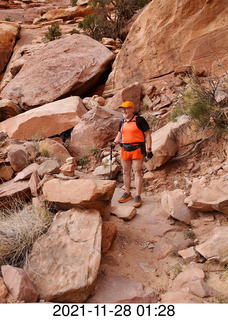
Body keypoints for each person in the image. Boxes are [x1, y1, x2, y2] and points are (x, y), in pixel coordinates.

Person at [111, 101, 153, 208]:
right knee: (125, 171)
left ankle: (138, 195)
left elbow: (147, 134)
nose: (124, 111)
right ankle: (127, 193)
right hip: (125, 149)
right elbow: (120, 134)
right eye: (122, 109)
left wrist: (149, 149)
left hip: (137, 149)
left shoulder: (139, 120)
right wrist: (114, 143)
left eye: (126, 109)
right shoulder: (122, 122)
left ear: (132, 109)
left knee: (137, 171)